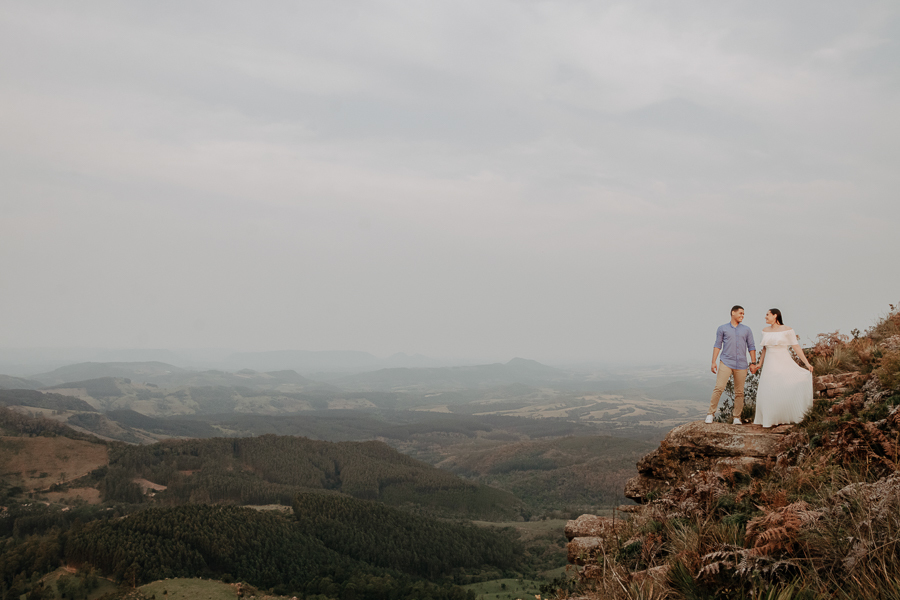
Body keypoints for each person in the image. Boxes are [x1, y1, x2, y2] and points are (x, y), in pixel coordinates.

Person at [751, 308, 814, 428]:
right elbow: (764, 349)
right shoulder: (765, 331)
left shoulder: (787, 330)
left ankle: (786, 415)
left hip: (783, 361)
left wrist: (807, 364)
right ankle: (769, 419)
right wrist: (760, 364)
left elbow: (796, 347)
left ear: (775, 316)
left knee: (783, 387)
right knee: (769, 389)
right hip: (769, 364)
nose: (765, 317)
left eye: (767, 315)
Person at [707, 305, 757, 425]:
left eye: (743, 314)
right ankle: (710, 414)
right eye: (740, 313)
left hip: (742, 365)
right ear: (733, 313)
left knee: (739, 392)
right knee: (719, 388)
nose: (742, 316)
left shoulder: (747, 330)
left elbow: (751, 347)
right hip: (726, 362)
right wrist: (713, 361)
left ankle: (736, 417)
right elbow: (717, 345)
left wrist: (753, 363)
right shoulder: (722, 328)